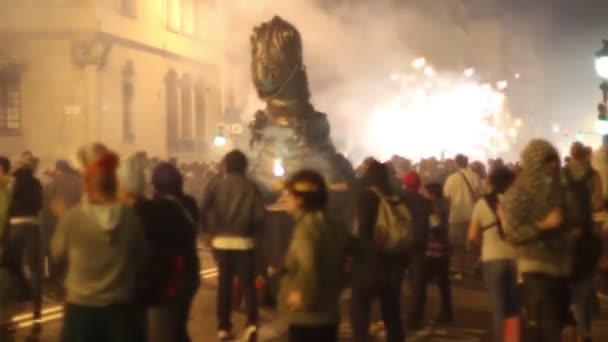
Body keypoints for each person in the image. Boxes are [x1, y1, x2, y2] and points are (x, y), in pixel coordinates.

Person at [52, 151, 146, 342]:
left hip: (81, 309)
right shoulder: (130, 217)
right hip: (120, 309)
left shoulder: (73, 217)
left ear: (88, 186)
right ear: (115, 185)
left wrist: (63, 219)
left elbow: (56, 253)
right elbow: (141, 257)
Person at [500, 139, 574, 342]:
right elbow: (511, 233)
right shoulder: (518, 193)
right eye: (548, 162)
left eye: (554, 162)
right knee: (542, 328)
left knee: (556, 328)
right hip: (535, 269)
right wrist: (544, 225)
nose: (553, 167)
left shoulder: (558, 189)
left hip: (560, 268)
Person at [279, 170, 356, 342]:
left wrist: (303, 297)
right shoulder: (334, 227)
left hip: (307, 317)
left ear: (300, 199)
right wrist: (340, 283)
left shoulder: (306, 229)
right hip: (329, 313)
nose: (285, 200)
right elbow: (357, 255)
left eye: (288, 195)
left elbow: (309, 266)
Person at [200, 150, 264, 341]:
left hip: (221, 240)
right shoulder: (251, 186)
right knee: (248, 285)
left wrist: (208, 232)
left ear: (226, 165)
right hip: (245, 241)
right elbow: (260, 216)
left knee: (224, 285)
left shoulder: (216, 185)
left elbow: (204, 209)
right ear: (245, 166)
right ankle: (252, 324)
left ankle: (223, 327)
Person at [351, 160, 408, 341]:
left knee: (359, 305)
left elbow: (364, 231)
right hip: (395, 258)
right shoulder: (393, 195)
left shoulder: (368, 196)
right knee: (391, 310)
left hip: (373, 260)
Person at [151, 162, 200, 342]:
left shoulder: (158, 207)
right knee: (177, 328)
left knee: (166, 330)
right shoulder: (189, 203)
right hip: (190, 271)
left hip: (169, 276)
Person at [468, 166, 518, 342]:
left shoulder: (482, 203)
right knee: (514, 308)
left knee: (499, 308)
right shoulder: (516, 202)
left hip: (491, 258)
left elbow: (473, 235)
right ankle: (513, 339)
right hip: (515, 258)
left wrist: (484, 247)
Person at [7, 153, 43, 333]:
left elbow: (8, 203)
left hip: (14, 226)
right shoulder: (36, 183)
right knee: (35, 270)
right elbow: (40, 206)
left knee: (13, 268)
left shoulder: (12, 181)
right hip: (32, 225)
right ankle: (37, 315)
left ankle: (12, 312)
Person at [443, 154, 483, 277]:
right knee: (472, 244)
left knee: (457, 245)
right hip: (473, 215)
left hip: (456, 215)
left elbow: (447, 197)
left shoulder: (451, 178)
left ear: (456, 163)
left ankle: (457, 269)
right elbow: (481, 195)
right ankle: (470, 269)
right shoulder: (475, 177)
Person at [420, 182, 453, 325]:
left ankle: (419, 312)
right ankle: (447, 313)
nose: (423, 194)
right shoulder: (444, 204)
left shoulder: (434, 207)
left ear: (432, 193)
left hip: (433, 250)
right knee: (443, 285)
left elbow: (435, 226)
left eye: (426, 192)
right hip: (443, 249)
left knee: (421, 283)